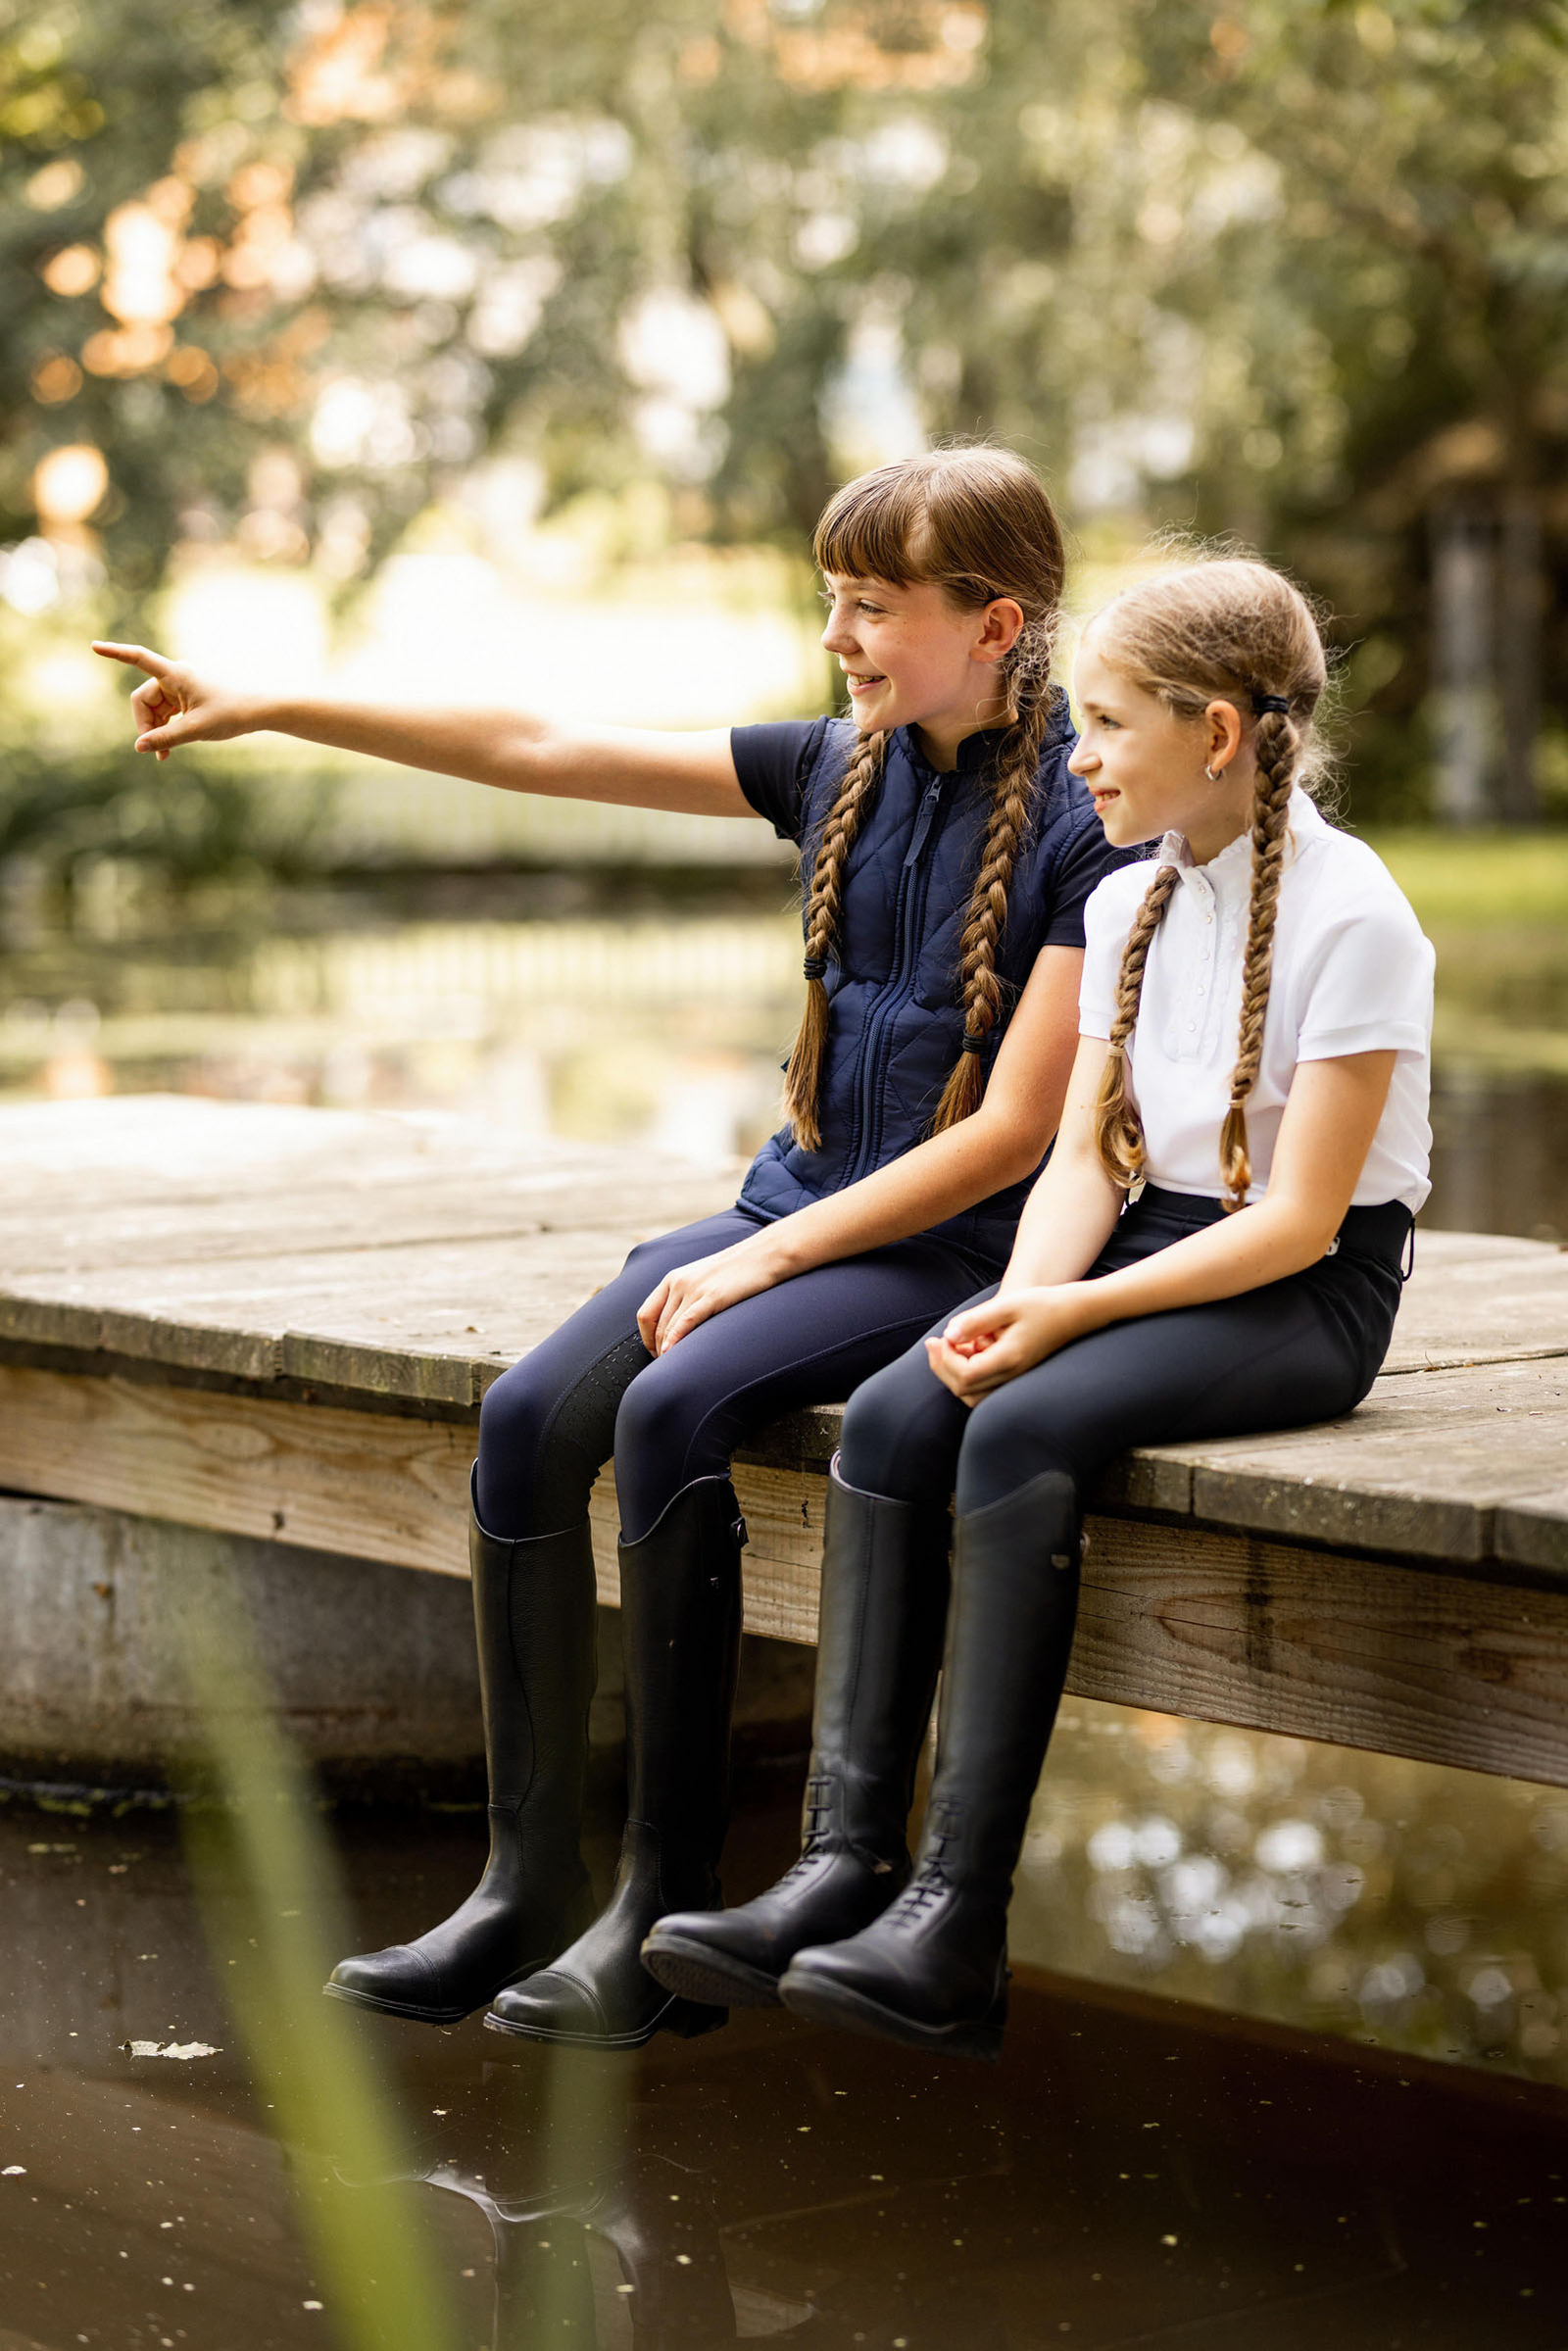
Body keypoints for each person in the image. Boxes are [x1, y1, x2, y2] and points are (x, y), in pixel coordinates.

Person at [95, 445, 1136, 2050]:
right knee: (523, 1421)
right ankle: (526, 1882)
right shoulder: (838, 766)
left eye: (872, 605)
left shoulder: (1089, 813)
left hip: (959, 1244)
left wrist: (764, 1267)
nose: (841, 637)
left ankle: (662, 1913)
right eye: (830, 602)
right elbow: (541, 741)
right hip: (794, 1205)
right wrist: (277, 703)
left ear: (995, 623)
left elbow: (1009, 1137)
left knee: (668, 1411)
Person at [644, 555, 1434, 2060]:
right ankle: (837, 1867)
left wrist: (1065, 1329)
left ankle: (958, 1921)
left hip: (1300, 1289)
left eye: (1107, 724)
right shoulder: (1132, 898)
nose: (1073, 757)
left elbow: (1302, 1220)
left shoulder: (1358, 919)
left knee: (1019, 1437)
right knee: (899, 1404)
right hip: (1142, 1246)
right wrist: (1021, 1298)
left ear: (1216, 734)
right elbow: (1082, 1154)